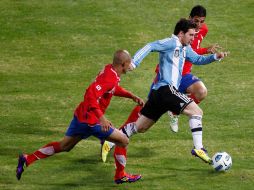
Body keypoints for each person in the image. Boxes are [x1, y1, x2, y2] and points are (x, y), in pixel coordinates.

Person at [111, 18, 228, 183]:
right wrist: (134, 63)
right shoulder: (171, 43)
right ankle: (199, 148)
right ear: (181, 33)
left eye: (195, 35)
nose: (193, 38)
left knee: (138, 128)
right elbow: (150, 46)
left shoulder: (185, 48)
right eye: (191, 35)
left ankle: (114, 143)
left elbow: (198, 59)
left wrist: (215, 57)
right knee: (196, 112)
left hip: (159, 95)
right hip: (166, 90)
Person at [15, 50, 144, 183]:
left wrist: (131, 96)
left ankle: (27, 159)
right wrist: (102, 118)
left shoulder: (109, 70)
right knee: (123, 141)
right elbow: (90, 95)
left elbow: (112, 89)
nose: (130, 66)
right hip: (92, 121)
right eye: (129, 64)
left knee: (64, 146)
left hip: (81, 116)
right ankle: (120, 175)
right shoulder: (110, 78)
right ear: (123, 64)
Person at [168, 5, 221, 133]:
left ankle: (175, 111)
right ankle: (117, 136)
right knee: (144, 115)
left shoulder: (203, 30)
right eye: (196, 21)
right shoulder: (182, 29)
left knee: (201, 91)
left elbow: (192, 52)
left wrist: (209, 53)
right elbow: (184, 51)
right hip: (170, 74)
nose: (199, 25)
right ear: (189, 17)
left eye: (202, 21)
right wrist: (205, 51)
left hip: (185, 73)